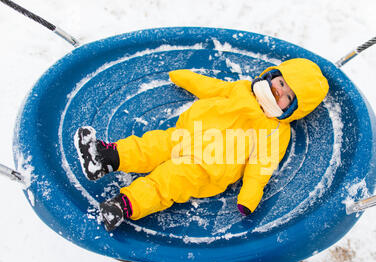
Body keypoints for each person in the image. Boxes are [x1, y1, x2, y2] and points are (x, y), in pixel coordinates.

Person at [75, 58, 329, 231]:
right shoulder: (242, 89)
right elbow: (211, 87)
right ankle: (104, 159)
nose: (278, 93)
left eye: (288, 96)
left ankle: (124, 205)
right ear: (274, 75)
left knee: (169, 179)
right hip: (186, 134)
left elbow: (262, 165)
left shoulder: (275, 131)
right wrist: (187, 78)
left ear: (294, 108)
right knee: (152, 144)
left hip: (208, 167)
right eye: (282, 83)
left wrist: (250, 195)